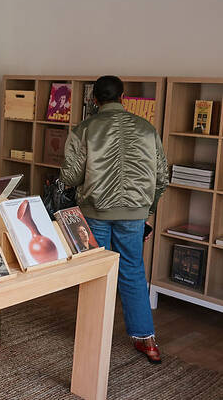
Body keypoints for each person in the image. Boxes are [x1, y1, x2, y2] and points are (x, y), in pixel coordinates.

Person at [61, 75, 168, 364]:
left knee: (96, 270)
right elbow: (161, 178)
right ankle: (147, 340)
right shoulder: (147, 130)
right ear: (124, 96)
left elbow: (69, 177)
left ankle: (93, 334)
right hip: (134, 213)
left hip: (95, 210)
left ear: (94, 99)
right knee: (132, 270)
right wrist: (147, 211)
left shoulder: (84, 129)